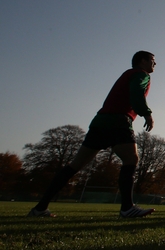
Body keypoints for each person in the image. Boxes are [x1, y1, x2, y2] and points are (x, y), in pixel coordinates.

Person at [28, 51, 157, 218]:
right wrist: (146, 113)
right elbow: (136, 93)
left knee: (75, 165)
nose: (155, 64)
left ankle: (40, 208)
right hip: (118, 120)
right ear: (142, 61)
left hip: (100, 121)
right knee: (131, 159)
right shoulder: (141, 74)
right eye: (153, 61)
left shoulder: (127, 74)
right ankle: (127, 208)